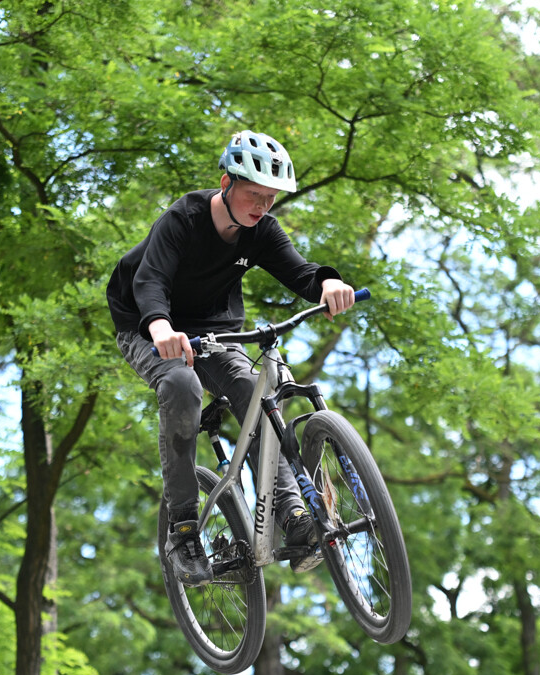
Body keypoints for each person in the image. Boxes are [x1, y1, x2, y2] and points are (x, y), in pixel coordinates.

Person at [106, 129, 357, 586]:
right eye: (253, 195)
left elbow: (299, 270)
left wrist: (327, 283)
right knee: (182, 385)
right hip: (146, 322)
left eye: (271, 197)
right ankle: (183, 531)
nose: (262, 206)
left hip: (212, 326)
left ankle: (294, 514)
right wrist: (161, 327)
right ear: (226, 183)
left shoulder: (261, 232)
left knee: (249, 387)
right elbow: (150, 281)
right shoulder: (184, 218)